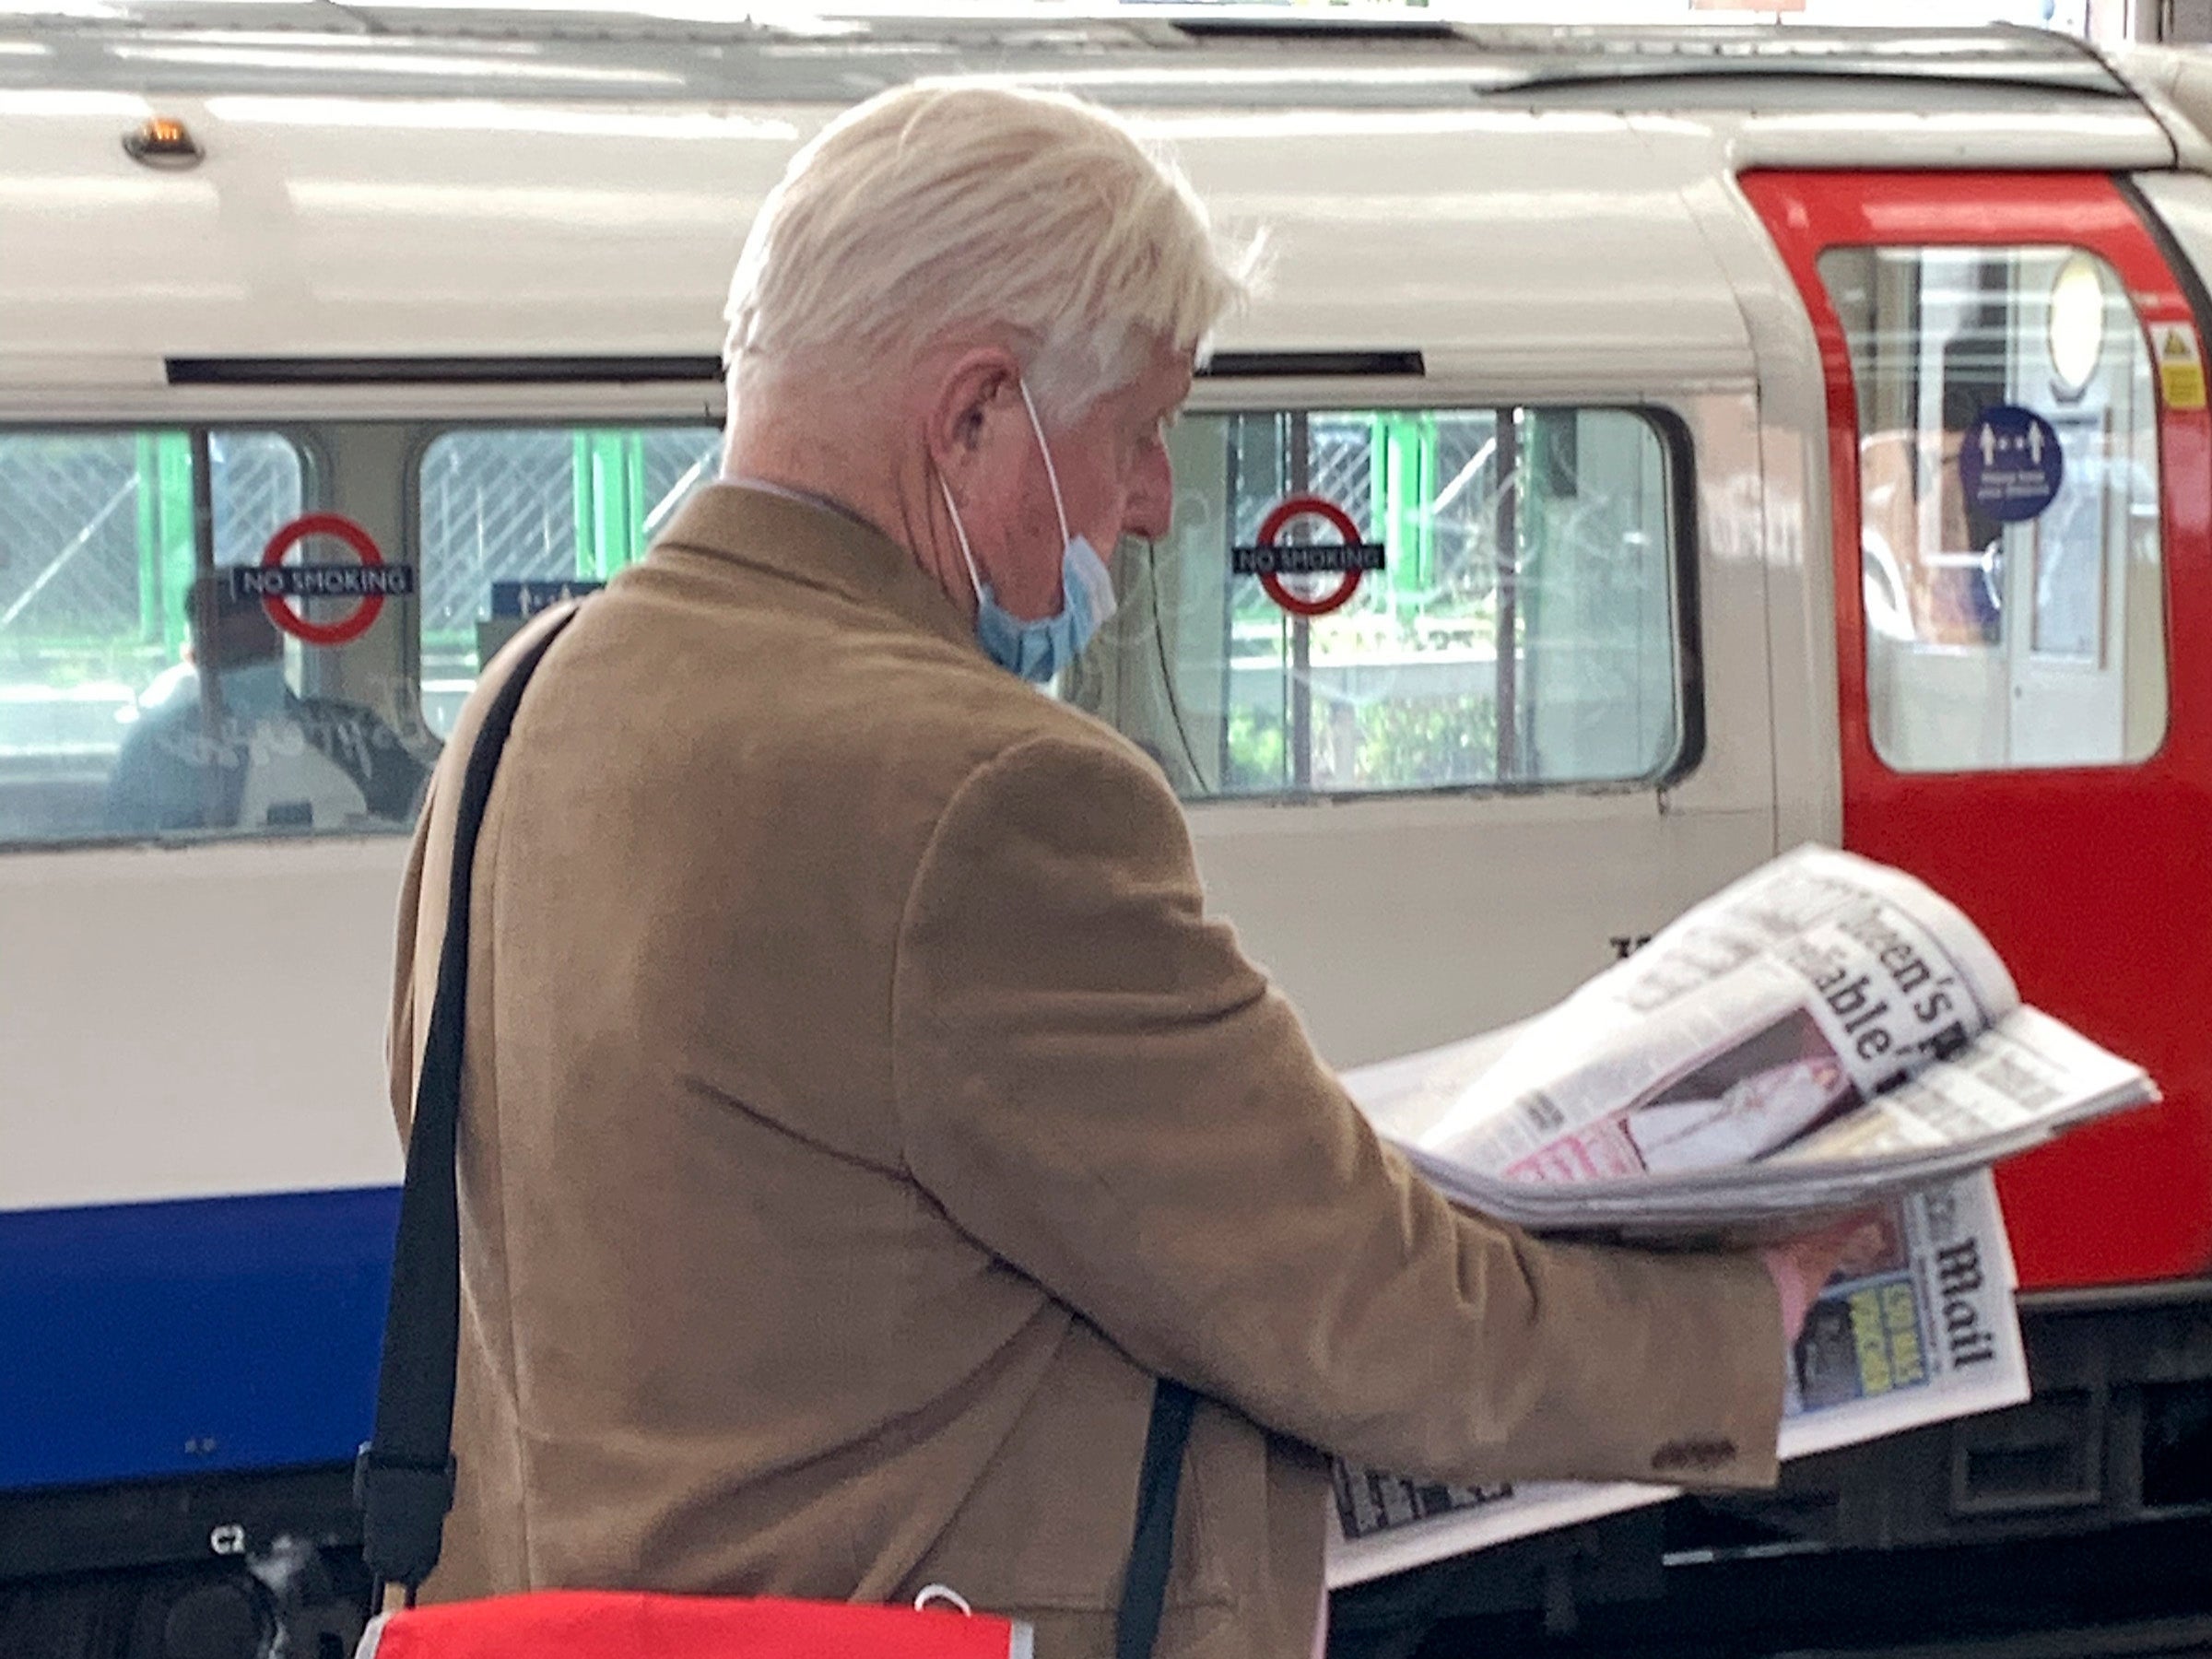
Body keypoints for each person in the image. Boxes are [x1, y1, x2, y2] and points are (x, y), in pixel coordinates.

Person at [387, 82, 1852, 1659]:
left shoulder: (527, 703)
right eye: (1138, 433)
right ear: (972, 416)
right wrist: (1740, 1324)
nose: (1154, 503)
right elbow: (1360, 1309)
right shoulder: (986, 791)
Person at [107, 575, 427, 836]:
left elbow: (422, 816)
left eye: (261, 653)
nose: (251, 669)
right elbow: (126, 850)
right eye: (235, 656)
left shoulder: (355, 732)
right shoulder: (157, 749)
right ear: (196, 657)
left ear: (281, 643)